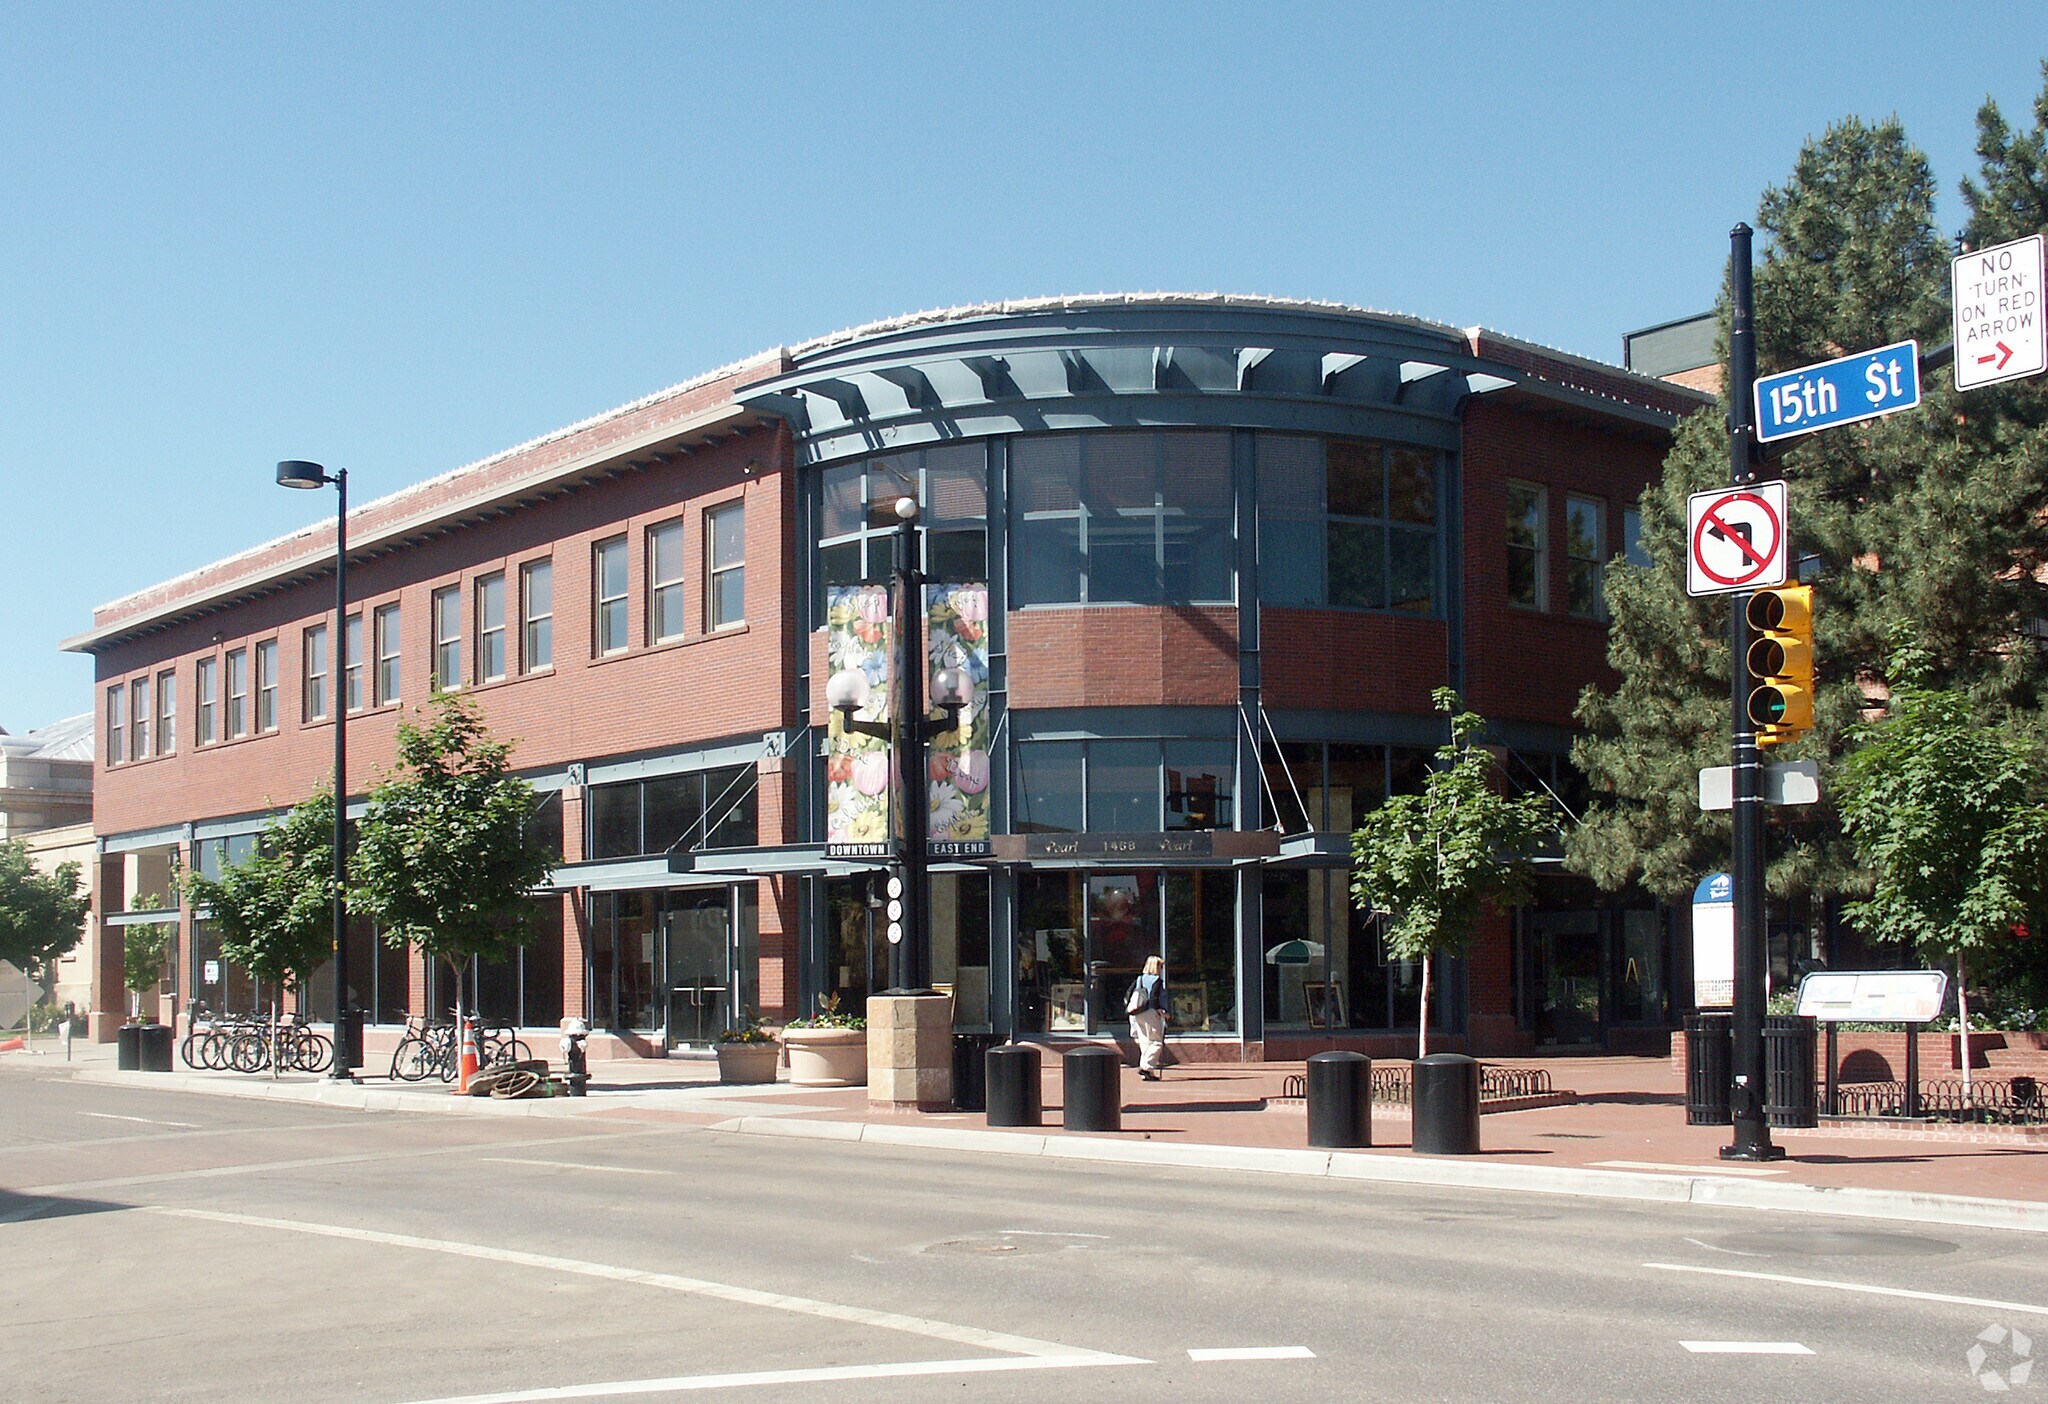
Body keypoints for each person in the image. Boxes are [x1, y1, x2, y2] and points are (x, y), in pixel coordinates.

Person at [1127, 955, 1169, 1080]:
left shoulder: (1139, 979)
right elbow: (1155, 998)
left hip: (1137, 1012)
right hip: (1150, 1012)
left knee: (1145, 1041)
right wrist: (1162, 1011)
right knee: (1156, 1041)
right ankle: (1147, 1067)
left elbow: (1129, 993)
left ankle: (1146, 1072)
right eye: (1160, 966)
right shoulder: (1157, 981)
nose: (1161, 969)